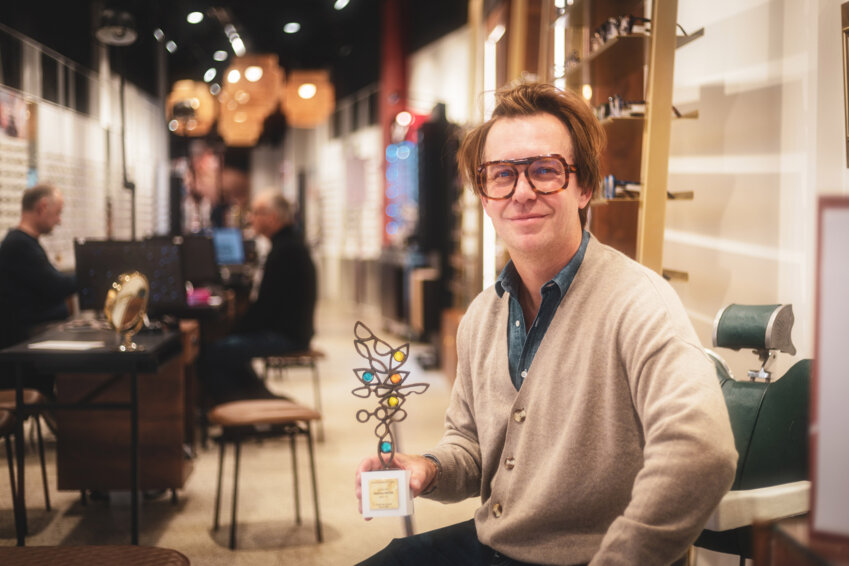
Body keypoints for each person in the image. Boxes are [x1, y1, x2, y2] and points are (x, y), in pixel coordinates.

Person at [355, 82, 737, 566]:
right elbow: (471, 449)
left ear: (584, 188)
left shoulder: (639, 303)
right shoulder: (482, 316)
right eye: (501, 175)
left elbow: (702, 453)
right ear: (484, 194)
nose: (522, 192)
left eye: (544, 171)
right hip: (495, 544)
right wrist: (427, 469)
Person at [199, 190, 317, 404]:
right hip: (292, 331)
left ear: (272, 218)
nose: (250, 218)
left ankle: (245, 411)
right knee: (227, 350)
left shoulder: (285, 252)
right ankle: (261, 399)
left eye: (256, 212)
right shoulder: (289, 246)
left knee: (211, 355)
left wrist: (233, 331)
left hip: (287, 336)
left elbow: (265, 308)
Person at [0, 184, 77, 395]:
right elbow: (56, 286)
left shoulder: (25, 243)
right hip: (24, 348)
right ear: (43, 207)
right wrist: (93, 276)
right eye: (58, 213)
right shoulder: (19, 245)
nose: (59, 220)